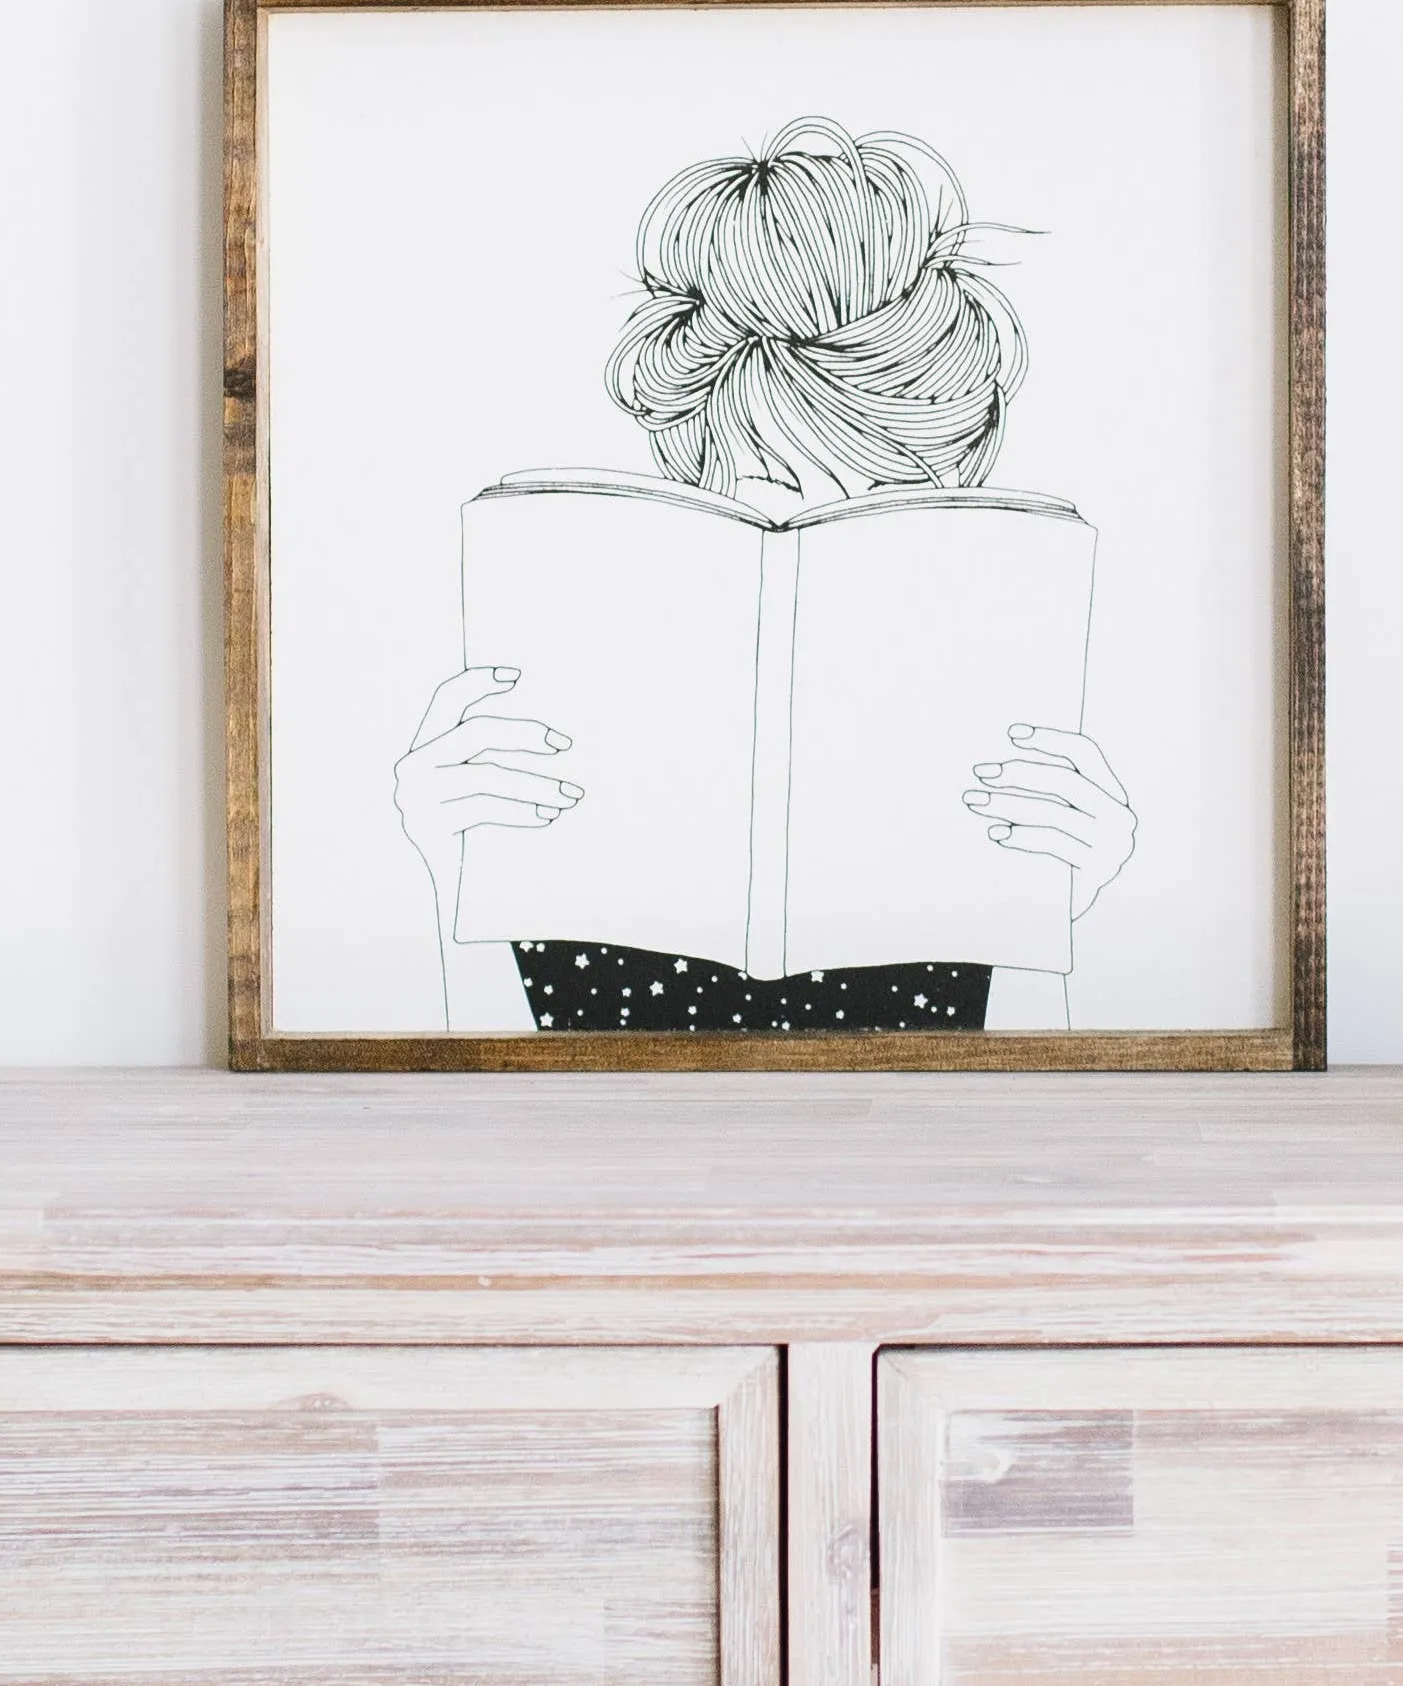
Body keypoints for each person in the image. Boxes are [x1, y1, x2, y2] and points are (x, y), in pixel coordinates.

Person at [393, 117, 1137, 1033]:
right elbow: (490, 1105)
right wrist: (447, 865)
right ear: (690, 473)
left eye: (880, 501)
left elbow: (1024, 1123)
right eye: (766, 492)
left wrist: (1063, 904)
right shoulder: (574, 717)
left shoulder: (991, 738)